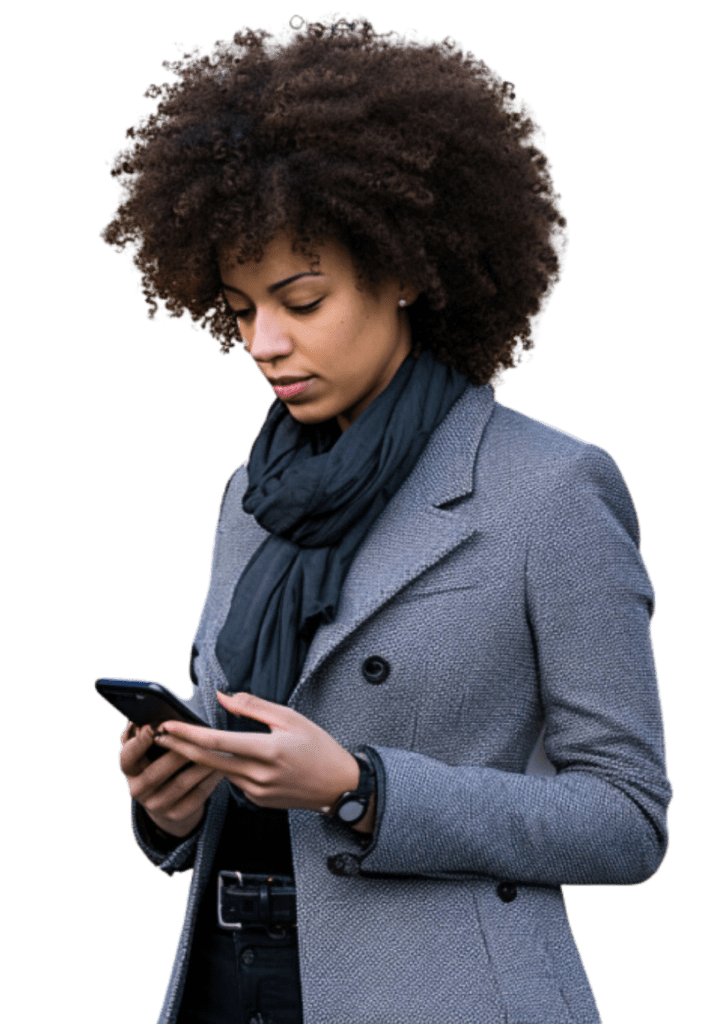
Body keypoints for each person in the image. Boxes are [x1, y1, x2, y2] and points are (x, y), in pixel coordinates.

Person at [100, 14, 672, 1024]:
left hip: (433, 991)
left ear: (405, 268)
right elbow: (238, 751)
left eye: (301, 298)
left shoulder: (549, 487)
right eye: (240, 310)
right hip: (226, 975)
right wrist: (170, 805)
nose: (266, 343)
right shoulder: (253, 491)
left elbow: (626, 820)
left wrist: (361, 787)